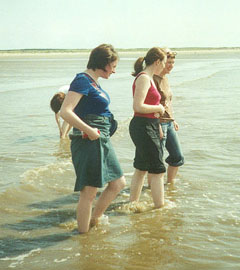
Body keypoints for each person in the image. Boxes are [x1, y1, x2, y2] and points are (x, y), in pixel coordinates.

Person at [60, 44, 126, 233]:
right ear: (103, 63)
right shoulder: (82, 80)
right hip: (89, 138)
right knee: (89, 191)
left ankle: (94, 220)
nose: (114, 70)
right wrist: (89, 130)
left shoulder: (94, 82)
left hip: (101, 137)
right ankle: (84, 236)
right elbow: (65, 111)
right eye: (113, 66)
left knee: (118, 183)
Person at [129, 47, 166, 208]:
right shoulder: (144, 78)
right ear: (157, 62)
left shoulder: (149, 78)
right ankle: (161, 208)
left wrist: (157, 126)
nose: (164, 67)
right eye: (164, 63)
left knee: (141, 167)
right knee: (158, 170)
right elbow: (138, 106)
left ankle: (132, 204)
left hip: (147, 125)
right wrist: (158, 108)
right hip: (142, 126)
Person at [153, 49, 184, 184]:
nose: (171, 65)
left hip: (169, 123)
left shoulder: (165, 78)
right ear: (160, 63)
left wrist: (173, 118)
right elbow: (152, 104)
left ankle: (169, 185)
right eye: (168, 62)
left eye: (173, 62)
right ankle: (151, 189)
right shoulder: (153, 79)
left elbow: (166, 102)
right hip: (159, 123)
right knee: (156, 160)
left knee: (177, 157)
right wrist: (158, 125)